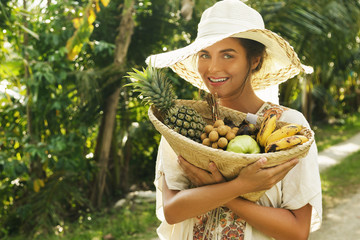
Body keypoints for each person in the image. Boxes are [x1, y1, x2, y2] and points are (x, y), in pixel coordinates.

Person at [146, 0, 322, 239]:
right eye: (205, 55)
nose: (213, 68)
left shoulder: (287, 127)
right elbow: (173, 210)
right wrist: (240, 186)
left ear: (255, 60)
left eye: (228, 55)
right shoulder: (183, 123)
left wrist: (220, 189)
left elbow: (297, 231)